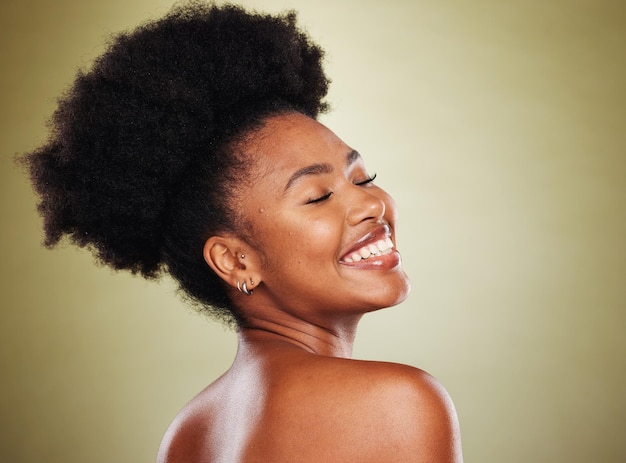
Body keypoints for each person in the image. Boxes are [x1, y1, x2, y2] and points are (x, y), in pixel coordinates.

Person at [22, 3, 462, 462]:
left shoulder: (189, 434)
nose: (372, 204)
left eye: (362, 178)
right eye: (317, 196)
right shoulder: (395, 402)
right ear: (236, 260)